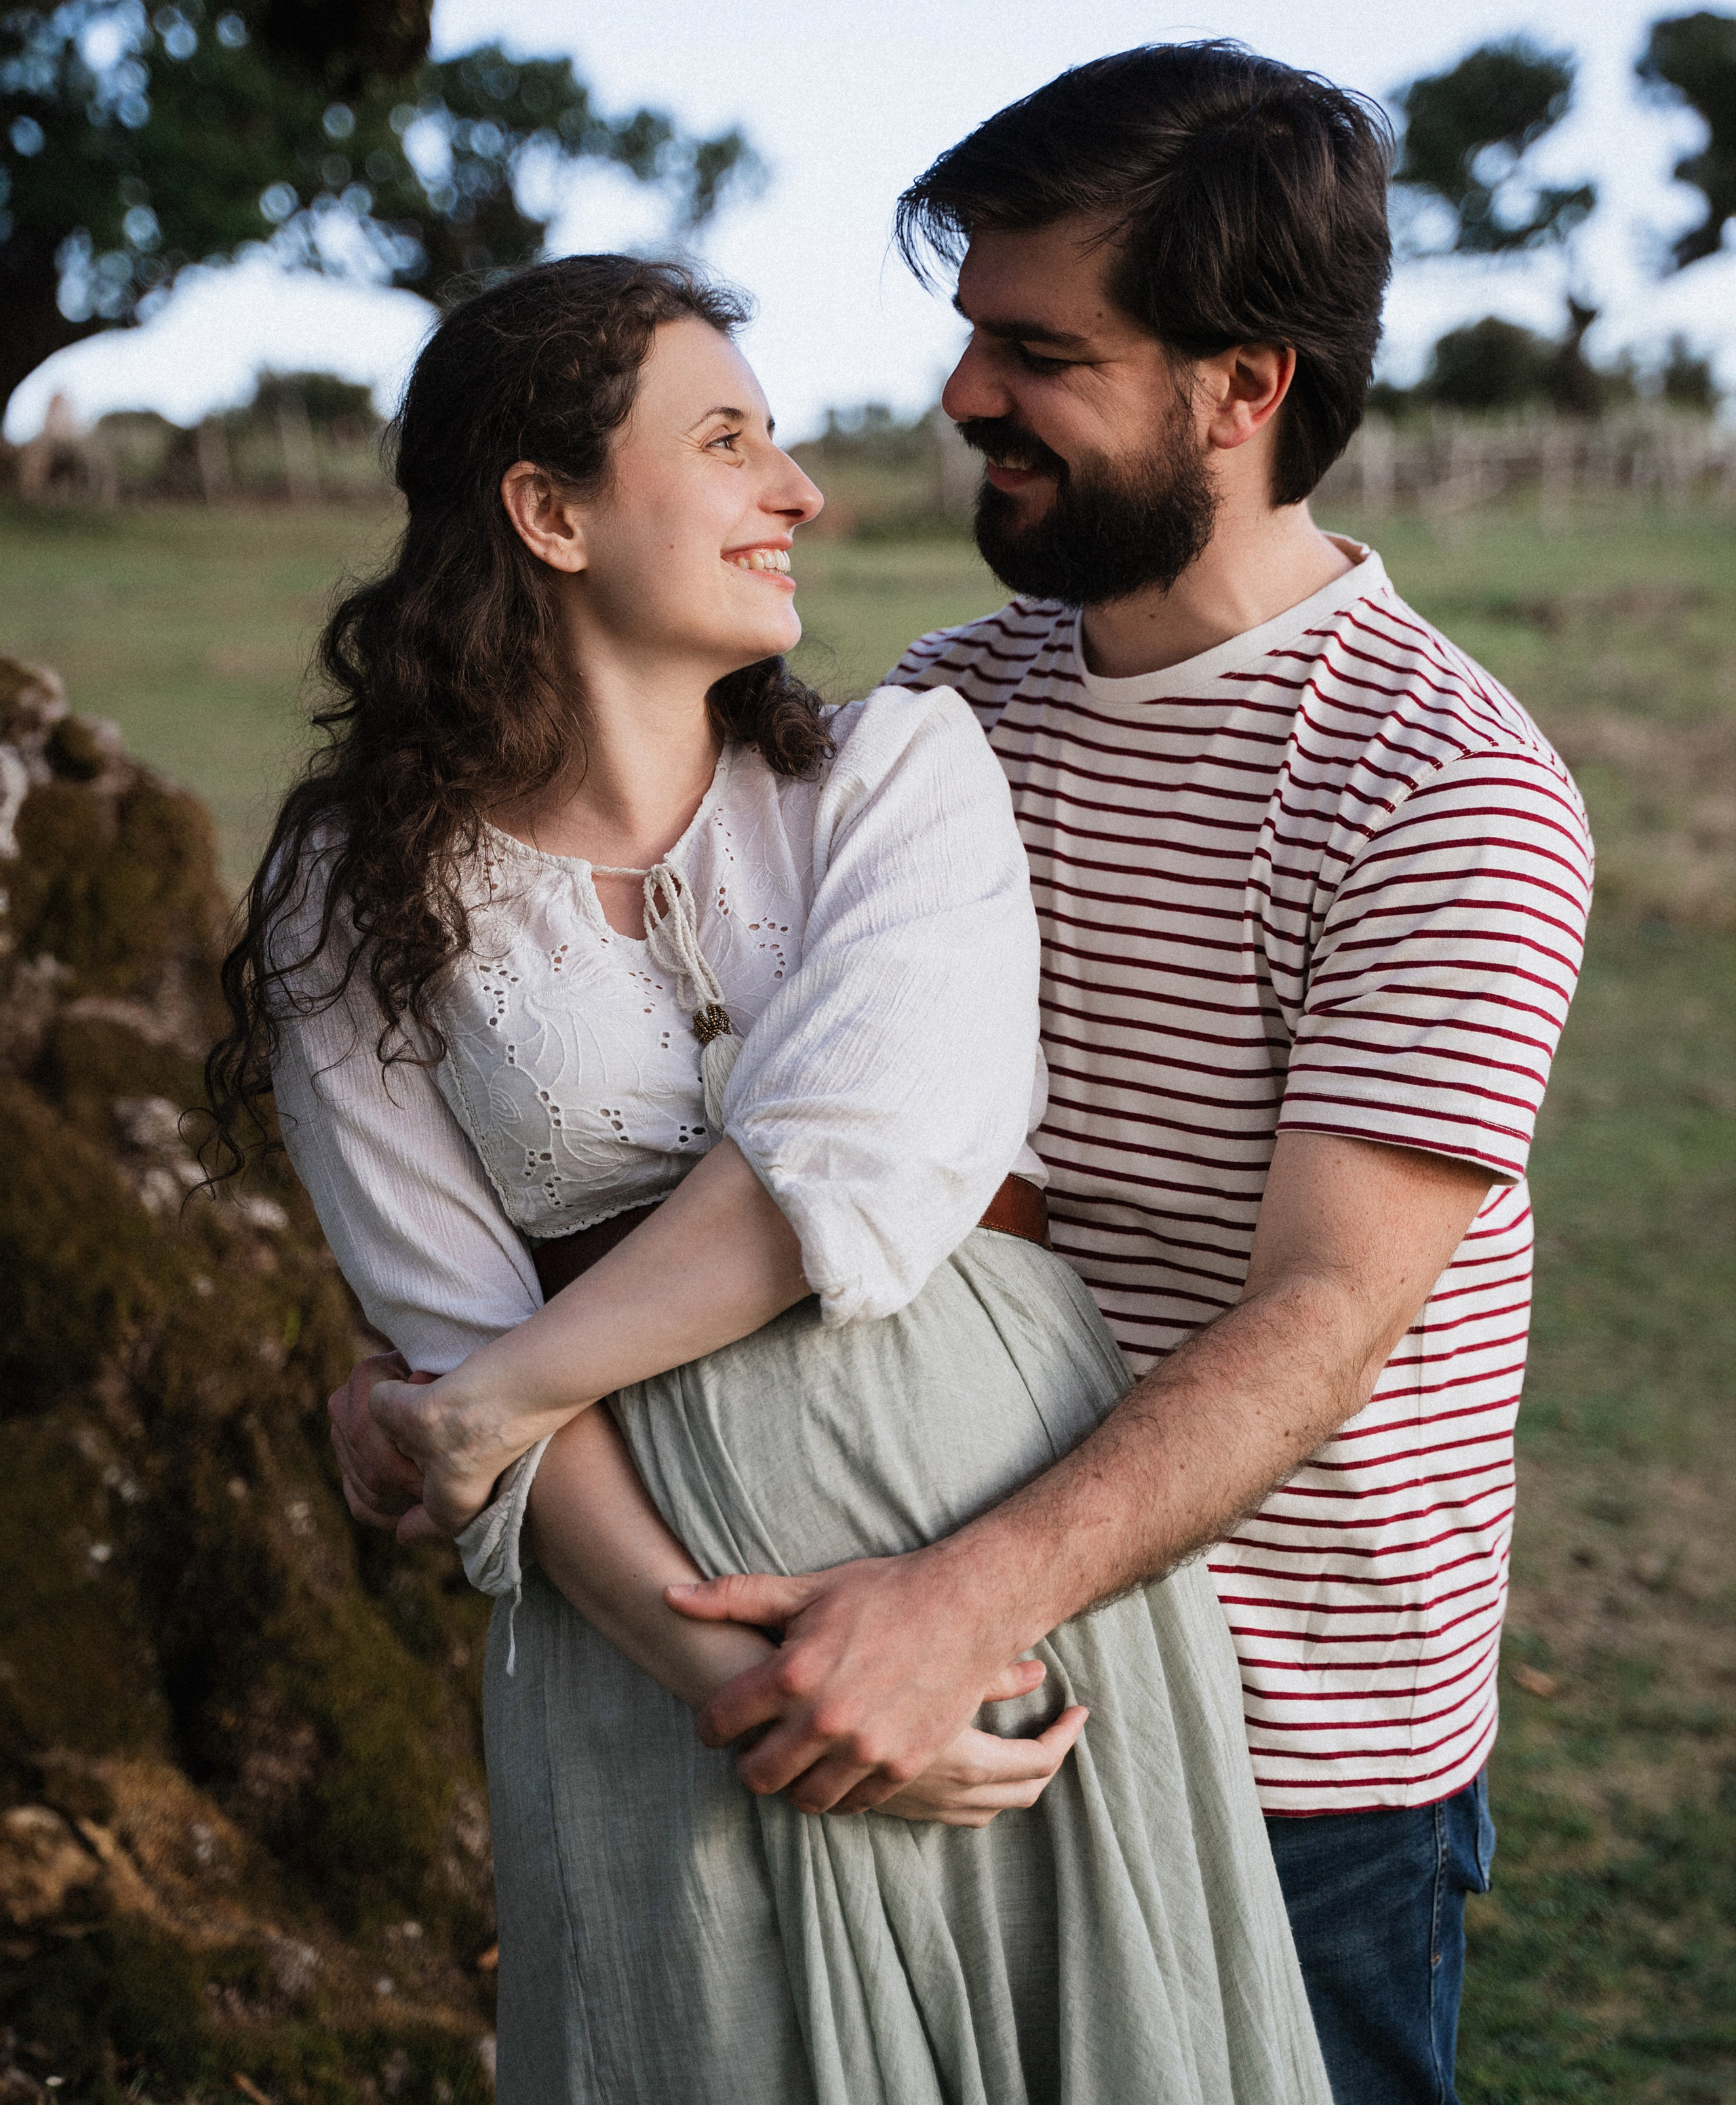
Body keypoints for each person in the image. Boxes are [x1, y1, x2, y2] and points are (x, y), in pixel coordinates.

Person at [214, 253, 1332, 2103]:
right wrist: (733, 1683)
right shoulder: (351, 889)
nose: (798, 492)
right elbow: (441, 1301)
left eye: (780, 443)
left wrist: (481, 1401)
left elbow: (847, 1162)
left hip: (1006, 1567)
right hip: (649, 1645)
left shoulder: (901, 772)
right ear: (549, 513)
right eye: (729, 442)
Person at [637, 45, 1594, 2102]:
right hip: (959, 1665)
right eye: (969, 332)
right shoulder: (947, 708)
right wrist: (451, 1362)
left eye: (1036, 348)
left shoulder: (1443, 789)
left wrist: (954, 1603)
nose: (963, 394)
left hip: (1289, 1751)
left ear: (1243, 387)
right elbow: (779, 1117)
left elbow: (1326, 1312)